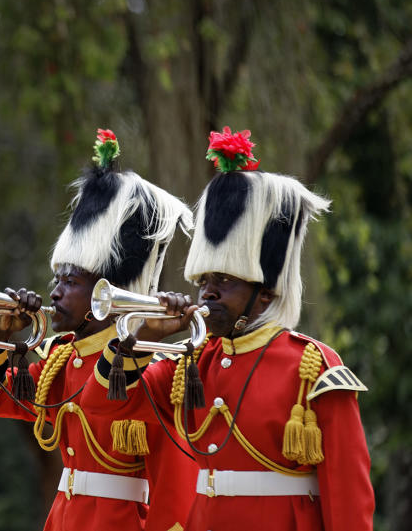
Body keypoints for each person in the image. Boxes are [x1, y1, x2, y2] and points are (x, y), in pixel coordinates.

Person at [81, 126, 374, 531]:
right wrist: (147, 335)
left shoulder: (312, 366)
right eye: (205, 280)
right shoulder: (192, 363)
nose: (208, 292)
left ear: (266, 292)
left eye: (226, 281)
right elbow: (101, 404)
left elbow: (349, 500)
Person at [0, 129, 198, 531]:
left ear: (106, 292)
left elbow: (176, 490)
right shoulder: (62, 361)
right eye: (58, 278)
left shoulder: (154, 368)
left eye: (71, 281)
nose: (55, 290)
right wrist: (0, 329)